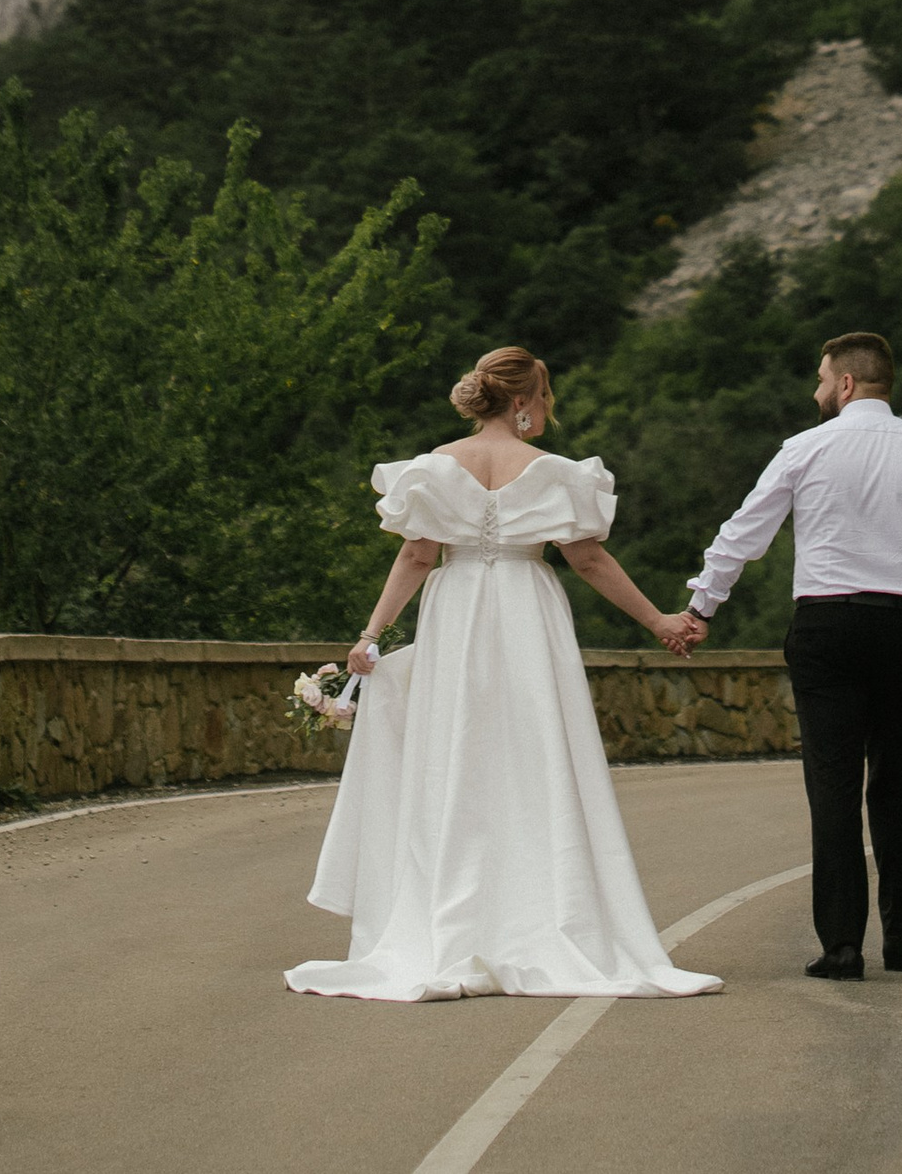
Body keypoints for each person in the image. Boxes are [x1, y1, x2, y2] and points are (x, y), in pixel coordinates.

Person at [285, 343, 720, 1002]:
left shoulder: (435, 467)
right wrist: (658, 621)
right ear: (520, 402)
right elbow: (589, 561)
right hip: (525, 611)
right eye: (543, 396)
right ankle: (547, 914)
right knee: (534, 753)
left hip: (457, 611)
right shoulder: (556, 473)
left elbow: (417, 556)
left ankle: (449, 923)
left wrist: (371, 635)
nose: (547, 408)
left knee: (457, 755)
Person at [663, 329, 902, 982]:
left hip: (828, 627)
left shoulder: (805, 448)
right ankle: (899, 936)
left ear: (845, 383)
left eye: (820, 380)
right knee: (898, 777)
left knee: (833, 783)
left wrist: (702, 607)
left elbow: (744, 533)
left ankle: (842, 945)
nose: (816, 391)